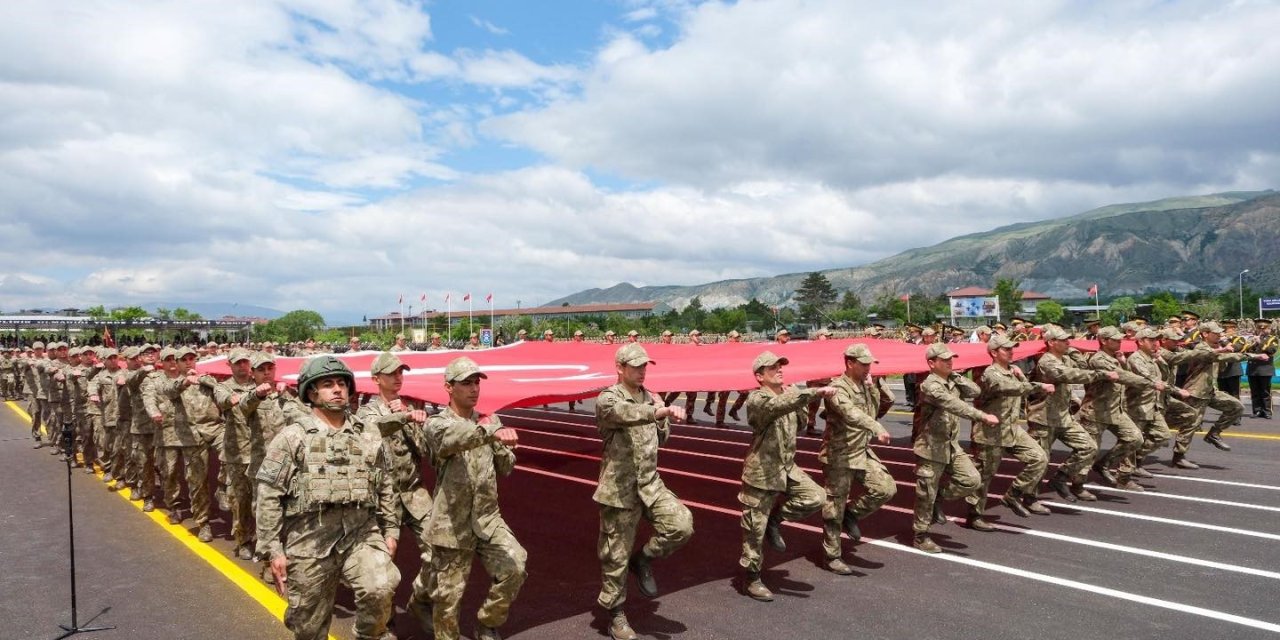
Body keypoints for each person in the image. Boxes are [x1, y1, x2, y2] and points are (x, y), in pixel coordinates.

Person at [255, 355, 401, 640]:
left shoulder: (368, 434)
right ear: (311, 393)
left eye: (342, 384)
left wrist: (391, 531)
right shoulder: (293, 438)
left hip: (361, 532)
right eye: (328, 384)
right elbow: (269, 494)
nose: (337, 390)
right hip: (309, 539)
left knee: (382, 586)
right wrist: (273, 550)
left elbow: (385, 483)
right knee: (308, 626)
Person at [593, 343, 694, 640]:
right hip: (619, 489)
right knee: (615, 556)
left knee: (681, 525)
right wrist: (657, 410)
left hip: (650, 483)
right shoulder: (608, 398)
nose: (642, 371)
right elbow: (623, 413)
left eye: (644, 366)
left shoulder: (651, 397)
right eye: (636, 366)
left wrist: (662, 417)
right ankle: (616, 614)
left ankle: (644, 558)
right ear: (620, 368)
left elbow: (662, 439)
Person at [425, 357, 525, 640]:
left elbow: (506, 468)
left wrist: (504, 446)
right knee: (448, 600)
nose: (474, 389)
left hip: (487, 519)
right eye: (466, 383)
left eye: (476, 382)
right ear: (448, 387)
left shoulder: (489, 421)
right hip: (451, 525)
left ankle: (486, 623)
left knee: (515, 567)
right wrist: (491, 431)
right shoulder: (437, 424)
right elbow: (454, 439)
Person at [738, 351, 834, 600]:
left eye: (780, 366)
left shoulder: (788, 395)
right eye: (772, 368)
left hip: (787, 466)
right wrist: (811, 393)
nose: (779, 370)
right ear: (759, 376)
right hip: (762, 471)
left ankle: (776, 519)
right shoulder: (757, 399)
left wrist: (797, 398)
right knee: (754, 530)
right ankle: (752, 578)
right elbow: (777, 407)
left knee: (816, 497)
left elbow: (800, 423)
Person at [356, 352, 437, 635]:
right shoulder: (365, 413)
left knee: (439, 551)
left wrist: (415, 421)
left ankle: (420, 601)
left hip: (414, 493)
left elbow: (425, 451)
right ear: (376, 379)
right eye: (391, 373)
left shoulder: (411, 407)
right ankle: (385, 622)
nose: (398, 377)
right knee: (383, 565)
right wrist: (401, 416)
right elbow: (370, 433)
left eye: (401, 372)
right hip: (383, 498)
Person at [910, 343, 997, 553]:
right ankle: (921, 536)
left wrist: (956, 376)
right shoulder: (930, 385)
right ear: (932, 363)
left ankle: (939, 499)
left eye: (951, 359)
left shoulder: (952, 381)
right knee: (926, 494)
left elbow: (975, 390)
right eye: (945, 360)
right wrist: (982, 416)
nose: (950, 362)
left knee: (972, 479)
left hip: (950, 445)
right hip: (931, 447)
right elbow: (953, 404)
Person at [820, 344, 897, 573]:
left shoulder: (865, 385)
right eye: (863, 364)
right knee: (834, 507)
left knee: (885, 488)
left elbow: (881, 405)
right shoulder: (837, 388)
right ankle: (831, 556)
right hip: (839, 455)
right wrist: (876, 427)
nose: (868, 368)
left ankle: (852, 515)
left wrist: (875, 387)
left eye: (869, 364)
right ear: (850, 363)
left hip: (861, 451)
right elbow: (851, 414)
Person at [969, 334, 1052, 531]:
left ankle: (1013, 495)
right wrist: (1039, 385)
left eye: (1011, 348)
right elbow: (1011, 388)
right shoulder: (991, 373)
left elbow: (1020, 387)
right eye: (1006, 349)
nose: (1011, 352)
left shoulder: (1013, 371)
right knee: (984, 477)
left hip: (1012, 429)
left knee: (1039, 458)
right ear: (994, 353)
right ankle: (974, 515)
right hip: (990, 433)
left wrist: (1021, 376)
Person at [1027, 326, 1110, 502]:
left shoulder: (1065, 358)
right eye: (1064, 340)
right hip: (1044, 418)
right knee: (1041, 461)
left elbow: (1082, 366)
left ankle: (1061, 477)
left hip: (1063, 417)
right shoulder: (1046, 362)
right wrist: (1100, 374)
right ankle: (1030, 499)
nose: (1068, 342)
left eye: (1068, 340)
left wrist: (1072, 350)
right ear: (1051, 342)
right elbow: (1071, 375)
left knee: (1089, 447)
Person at [1077, 327, 1158, 492]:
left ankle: (1106, 465)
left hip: (1115, 410)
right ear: (1103, 341)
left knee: (1135, 438)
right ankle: (1077, 485)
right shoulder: (1098, 359)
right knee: (1089, 451)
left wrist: (1122, 361)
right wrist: (1151, 383)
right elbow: (1122, 376)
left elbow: (1123, 374)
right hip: (1096, 412)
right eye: (1115, 340)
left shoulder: (1114, 357)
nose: (1119, 342)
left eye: (1120, 339)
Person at [1179, 322, 1262, 455]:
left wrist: (1226, 349)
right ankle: (1178, 456)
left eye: (1220, 333)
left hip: (1210, 391)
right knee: (1190, 426)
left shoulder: (1215, 347)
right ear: (1205, 334)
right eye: (1216, 333)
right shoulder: (1201, 347)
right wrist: (1252, 355)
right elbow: (1219, 355)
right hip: (1196, 392)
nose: (1219, 335)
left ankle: (1214, 433)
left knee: (1237, 407)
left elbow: (1224, 361)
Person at [1123, 328, 1188, 486]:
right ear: (1140, 342)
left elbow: (1165, 378)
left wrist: (1160, 361)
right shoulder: (1136, 359)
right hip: (1137, 405)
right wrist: (1177, 391)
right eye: (1151, 340)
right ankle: (1125, 474)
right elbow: (1153, 380)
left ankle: (1137, 459)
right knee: (1133, 440)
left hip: (1152, 404)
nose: (1155, 343)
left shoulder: (1152, 358)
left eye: (1156, 340)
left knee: (1163, 435)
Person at [1246, 318, 1276, 418]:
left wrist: (1260, 343)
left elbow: (1272, 350)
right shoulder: (1252, 338)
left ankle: (1267, 411)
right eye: (1259, 328)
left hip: (1265, 369)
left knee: (1265, 391)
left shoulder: (1272, 339)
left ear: (1269, 329)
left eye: (1264, 328)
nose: (1261, 330)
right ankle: (1257, 410)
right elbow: (1245, 350)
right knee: (1254, 391)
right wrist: (1253, 343)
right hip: (1252, 369)